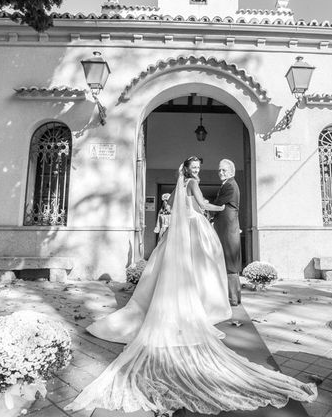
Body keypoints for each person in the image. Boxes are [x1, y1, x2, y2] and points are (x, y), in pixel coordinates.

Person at [66, 156, 317, 415]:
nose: (197, 171)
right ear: (187, 169)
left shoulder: (179, 186)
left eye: (198, 167)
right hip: (196, 226)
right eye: (193, 167)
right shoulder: (193, 183)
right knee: (202, 265)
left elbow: (177, 206)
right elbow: (203, 204)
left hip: (181, 230)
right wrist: (225, 209)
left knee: (174, 268)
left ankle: (172, 300)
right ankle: (204, 303)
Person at [212, 159, 242, 306]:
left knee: (230, 263)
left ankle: (233, 298)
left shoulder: (229, 185)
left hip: (227, 230)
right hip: (228, 229)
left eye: (224, 170)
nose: (221, 173)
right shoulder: (229, 184)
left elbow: (218, 204)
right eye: (219, 170)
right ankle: (235, 297)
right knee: (230, 263)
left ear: (231, 171)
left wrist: (203, 205)